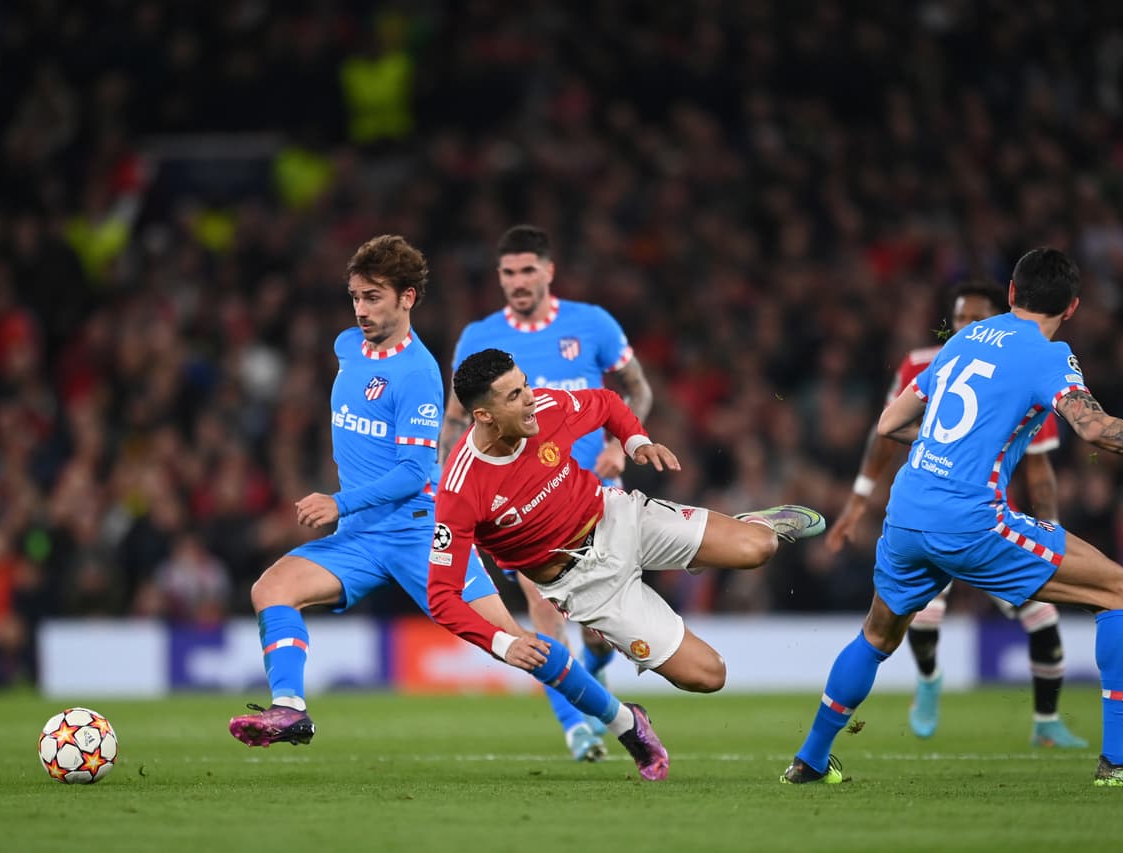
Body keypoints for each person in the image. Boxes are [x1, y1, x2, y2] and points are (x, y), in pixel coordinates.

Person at [782, 248, 1123, 787]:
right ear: (1072, 308)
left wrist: (948, 452)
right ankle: (1119, 761)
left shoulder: (961, 341)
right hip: (970, 521)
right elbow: (1092, 428)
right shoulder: (1049, 354)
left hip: (906, 511)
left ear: (1012, 293)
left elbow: (890, 423)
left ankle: (809, 760)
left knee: (877, 635)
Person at [227, 236, 667, 782]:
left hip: (419, 535)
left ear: (407, 298)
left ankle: (627, 722)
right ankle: (291, 710)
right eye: (356, 298)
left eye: (374, 298)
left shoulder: (419, 374)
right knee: (271, 589)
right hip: (361, 539)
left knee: (522, 647)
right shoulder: (345, 347)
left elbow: (416, 473)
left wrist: (337, 502)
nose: (361, 310)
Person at [427, 347, 828, 774]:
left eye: (525, 384)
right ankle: (625, 695)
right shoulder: (460, 488)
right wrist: (505, 643)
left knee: (759, 548)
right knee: (709, 676)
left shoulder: (546, 408)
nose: (530, 398)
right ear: (484, 415)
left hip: (620, 518)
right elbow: (441, 595)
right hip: (584, 585)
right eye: (513, 396)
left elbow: (608, 404)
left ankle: (749, 525)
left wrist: (636, 441)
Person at [825, 281, 1085, 748]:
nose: (966, 327)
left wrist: (1052, 526)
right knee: (920, 620)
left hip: (989, 517)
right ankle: (929, 680)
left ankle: (1046, 721)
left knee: (1042, 620)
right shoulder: (926, 362)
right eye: (960, 319)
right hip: (932, 512)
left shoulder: (1024, 368)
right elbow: (884, 431)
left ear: (1004, 314)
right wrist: (858, 501)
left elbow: (1040, 469)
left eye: (976, 318)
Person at [439, 224, 655, 762]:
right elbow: (453, 419)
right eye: (509, 272)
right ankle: (577, 729)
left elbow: (638, 390)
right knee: (546, 614)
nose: (518, 281)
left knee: (602, 635)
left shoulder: (594, 324)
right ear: (499, 276)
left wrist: (624, 443)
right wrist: (444, 484)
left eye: (528, 270)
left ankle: (596, 672)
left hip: (597, 495)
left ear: (548, 270)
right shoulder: (479, 339)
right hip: (524, 511)